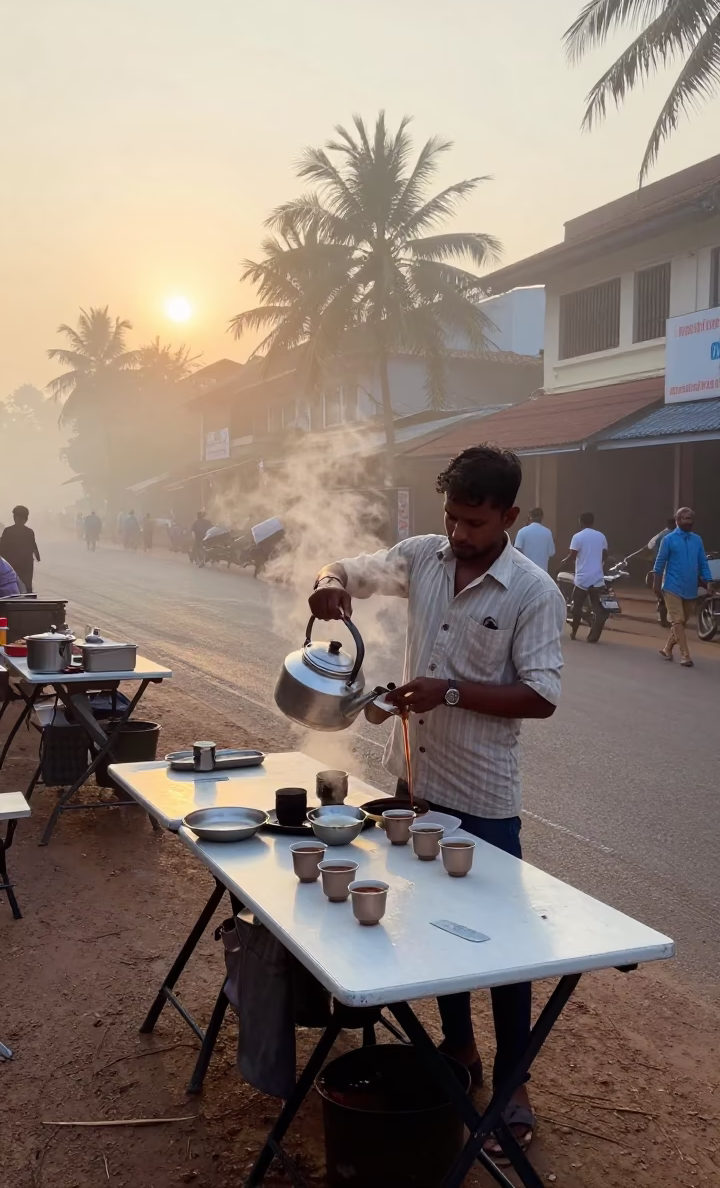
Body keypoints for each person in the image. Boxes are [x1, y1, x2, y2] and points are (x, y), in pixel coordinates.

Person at [308, 444, 565, 1158]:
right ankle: (460, 1046)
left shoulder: (534, 592)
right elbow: (354, 568)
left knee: (505, 949)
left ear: (509, 516)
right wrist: (329, 579)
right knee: (440, 933)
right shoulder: (423, 555)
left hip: (485, 797)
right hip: (415, 785)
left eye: (475, 523)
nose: (458, 534)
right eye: (451, 518)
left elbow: (542, 695)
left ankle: (514, 1082)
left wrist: (448, 691)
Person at [654, 507, 713, 668]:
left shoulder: (697, 540)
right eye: (685, 518)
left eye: (691, 518)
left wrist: (709, 581)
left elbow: (702, 563)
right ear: (678, 520)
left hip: (690, 588)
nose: (689, 521)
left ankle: (667, 649)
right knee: (678, 620)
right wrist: (656, 584)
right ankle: (685, 655)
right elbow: (659, 563)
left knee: (682, 621)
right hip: (672, 585)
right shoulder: (668, 539)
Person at [562, 512, 608, 642]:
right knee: (597, 608)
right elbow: (605, 554)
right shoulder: (601, 536)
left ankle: (574, 632)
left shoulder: (577, 537)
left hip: (582, 580)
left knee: (577, 607)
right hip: (597, 579)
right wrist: (599, 564)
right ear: (592, 522)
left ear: (580, 522)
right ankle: (594, 632)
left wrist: (562, 564)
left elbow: (572, 556)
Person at [0, 505, 41, 591]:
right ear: (26, 519)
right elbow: (33, 546)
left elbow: (1, 546)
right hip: (26, 564)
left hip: (12, 564)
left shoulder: (8, 531)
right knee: (27, 584)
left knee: (14, 584)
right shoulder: (29, 532)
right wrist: (37, 556)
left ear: (14, 517)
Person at [514, 507, 555, 573]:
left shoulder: (522, 532)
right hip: (542, 573)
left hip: (525, 572)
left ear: (530, 517)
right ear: (542, 517)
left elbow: (516, 551)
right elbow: (551, 553)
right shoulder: (548, 532)